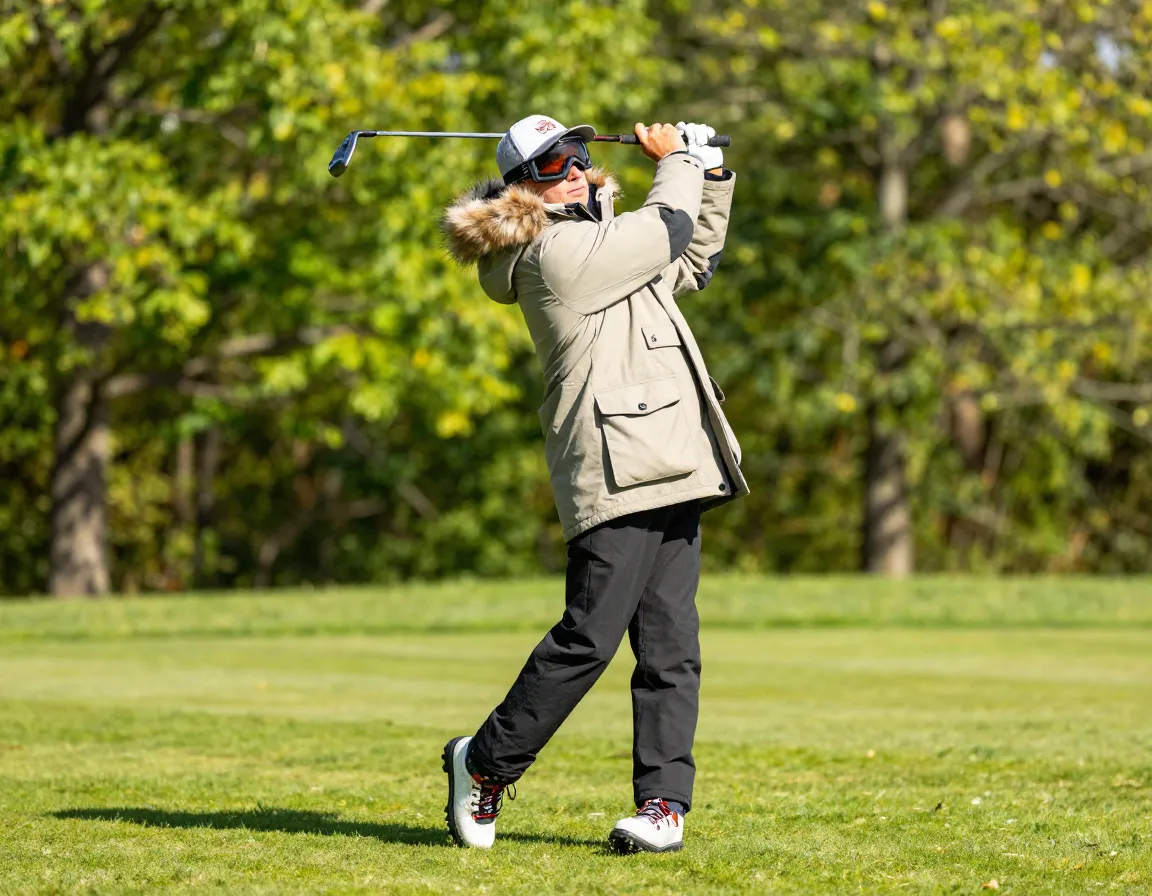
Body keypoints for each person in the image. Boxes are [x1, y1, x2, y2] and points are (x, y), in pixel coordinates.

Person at [440, 114, 747, 854]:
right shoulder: (553, 254)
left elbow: (691, 259)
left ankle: (663, 807)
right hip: (613, 466)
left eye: (578, 155)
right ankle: (484, 763)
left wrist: (710, 174)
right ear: (523, 189)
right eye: (553, 164)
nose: (575, 170)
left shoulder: (604, 242)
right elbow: (665, 229)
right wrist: (678, 161)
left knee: (672, 647)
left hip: (672, 457)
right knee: (589, 638)